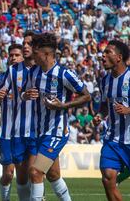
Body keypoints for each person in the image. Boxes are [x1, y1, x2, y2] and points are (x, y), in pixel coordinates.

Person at [22, 33, 91, 201]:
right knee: (53, 175)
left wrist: (64, 106)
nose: (32, 54)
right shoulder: (33, 72)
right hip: (40, 131)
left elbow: (87, 96)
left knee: (35, 172)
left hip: (57, 131)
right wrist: (25, 95)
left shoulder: (64, 74)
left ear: (46, 54)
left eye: (35, 52)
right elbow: (24, 93)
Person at [0, 31, 38, 201]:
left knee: (33, 172)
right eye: (11, 55)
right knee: (9, 174)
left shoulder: (36, 72)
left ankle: (38, 196)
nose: (14, 58)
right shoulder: (1, 79)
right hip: (7, 133)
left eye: (17, 55)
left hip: (31, 130)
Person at [92, 40, 130, 201]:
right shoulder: (104, 81)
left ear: (119, 57)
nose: (103, 56)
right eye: (103, 53)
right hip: (113, 139)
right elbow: (104, 105)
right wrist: (100, 115)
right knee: (108, 177)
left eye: (108, 52)